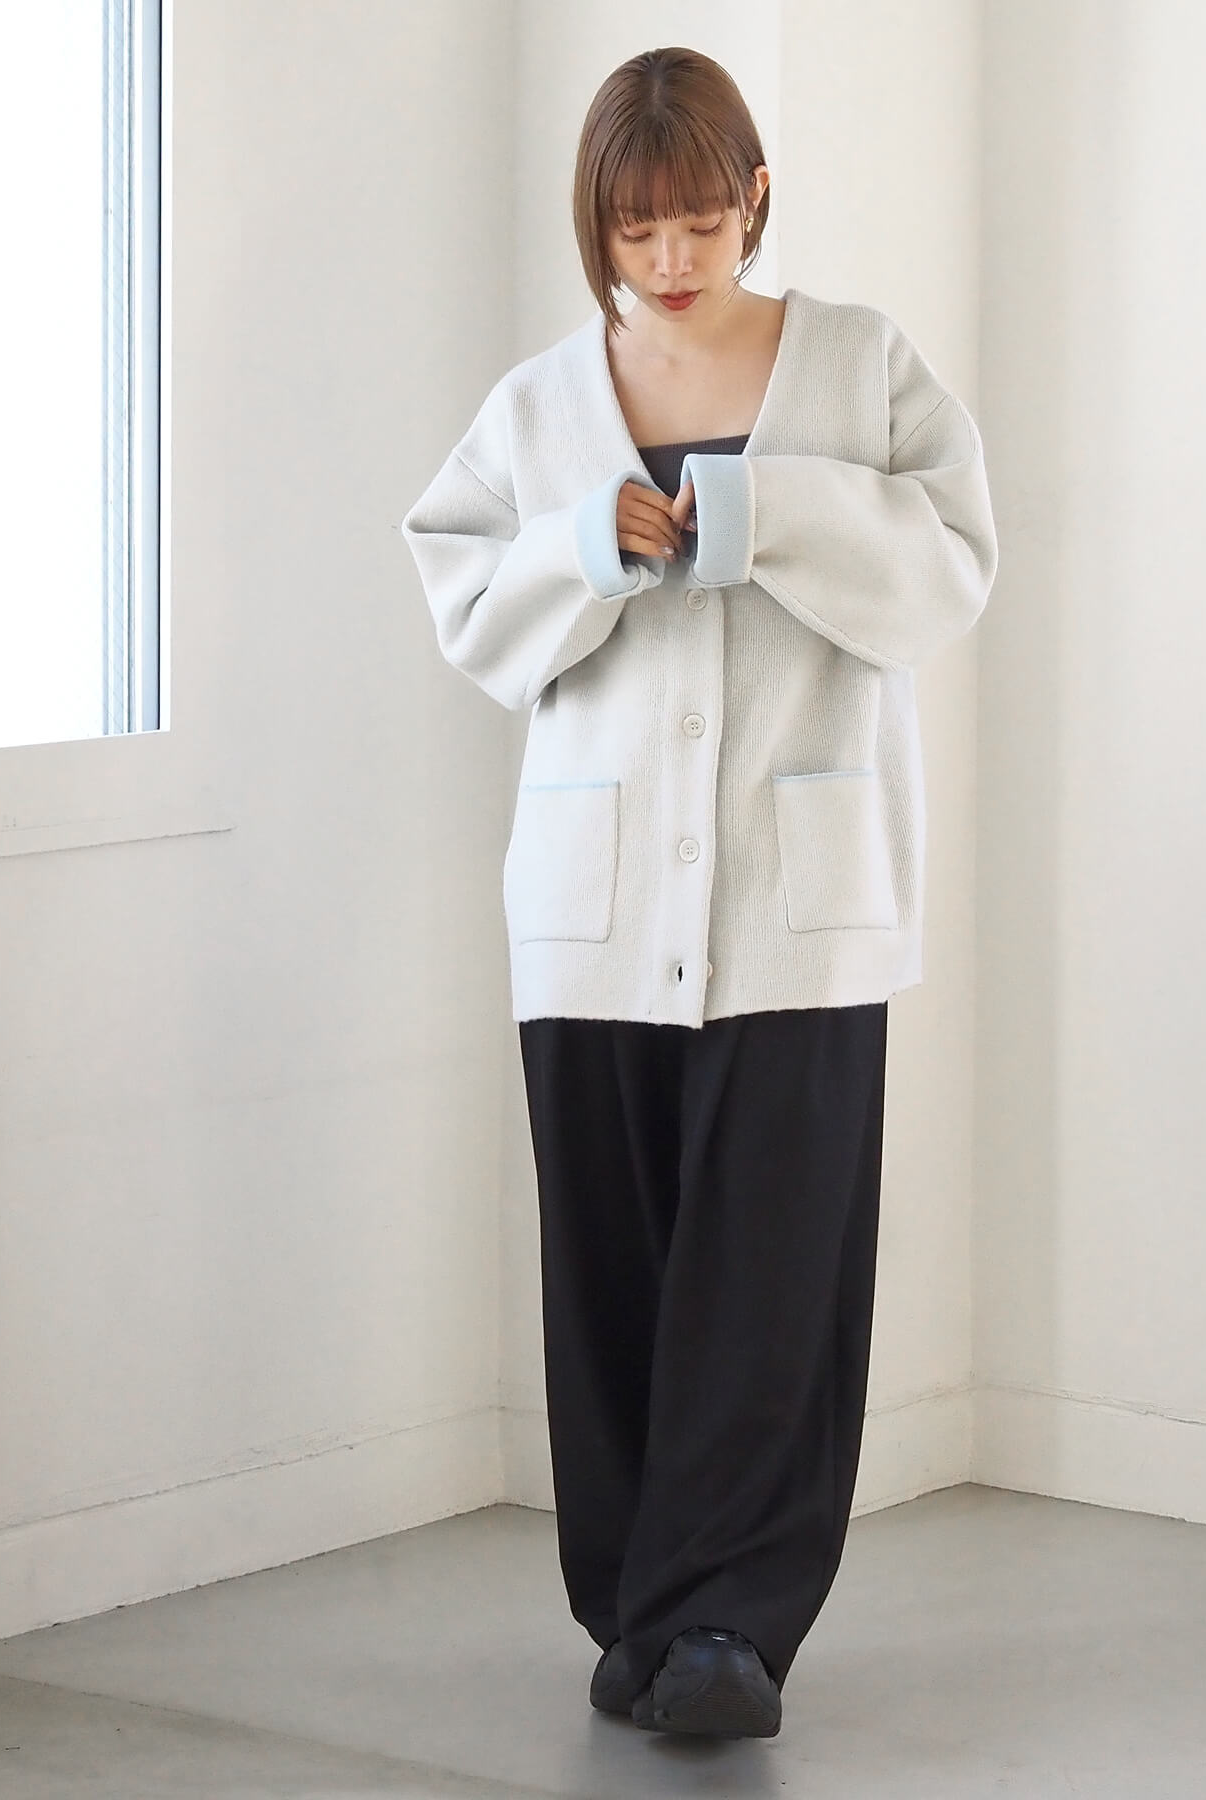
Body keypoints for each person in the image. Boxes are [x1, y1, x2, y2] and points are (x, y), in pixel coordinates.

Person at [399, 45, 998, 1742]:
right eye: (636, 227)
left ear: (755, 199)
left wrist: (758, 511)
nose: (671, 258)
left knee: (774, 1280)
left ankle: (725, 1628)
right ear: (597, 225)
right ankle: (641, 1613)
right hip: (590, 913)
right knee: (614, 1272)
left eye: (700, 220)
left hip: (803, 910)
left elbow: (951, 566)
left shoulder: (861, 366)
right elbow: (464, 597)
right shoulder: (540, 408)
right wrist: (585, 542)